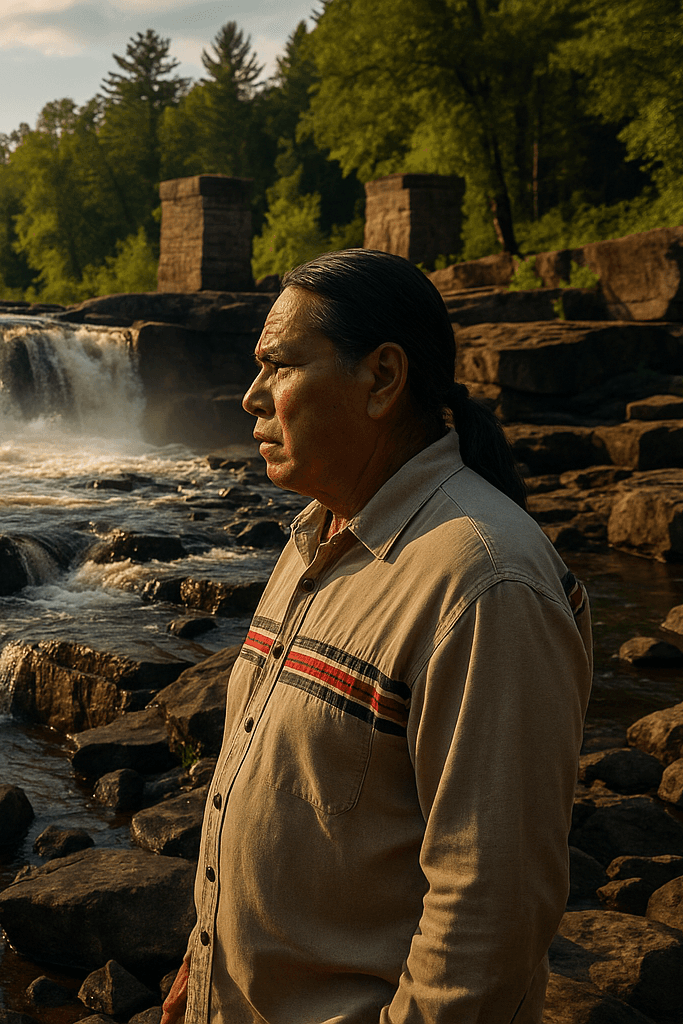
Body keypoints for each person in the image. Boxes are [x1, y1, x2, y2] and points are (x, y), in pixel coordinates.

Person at [160, 248, 593, 1024]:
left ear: (383, 378)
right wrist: (210, 961)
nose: (251, 396)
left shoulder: (485, 585)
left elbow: (487, 923)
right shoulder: (315, 539)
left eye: (279, 366)